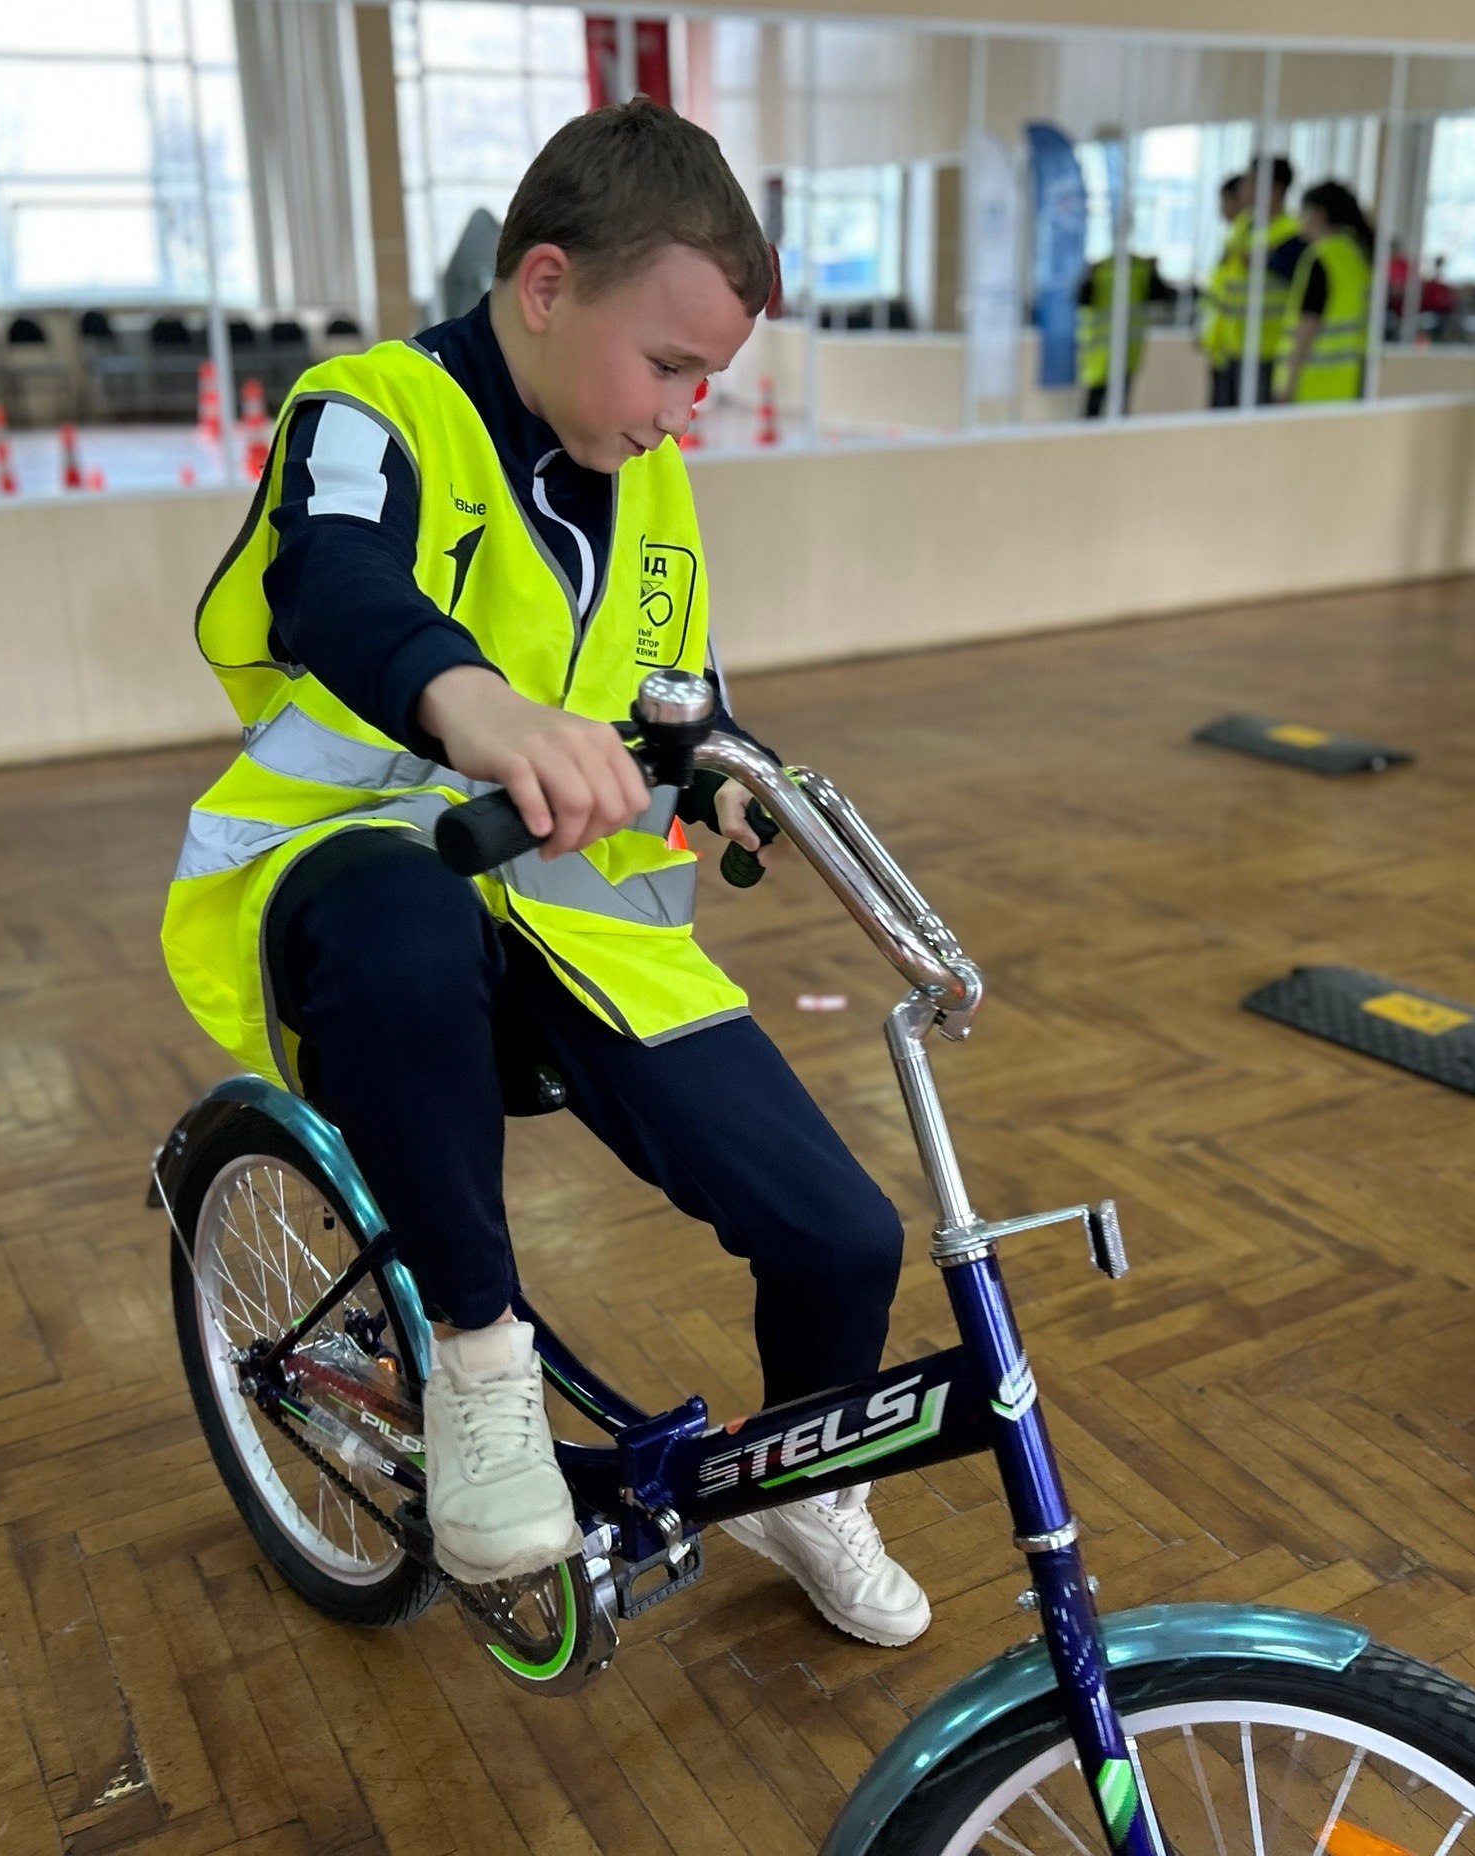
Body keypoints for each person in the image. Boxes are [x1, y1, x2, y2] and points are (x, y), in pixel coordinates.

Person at [158, 98, 929, 1646]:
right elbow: (330, 580)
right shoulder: (371, 409)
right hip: (351, 884)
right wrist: (478, 708)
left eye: (708, 382)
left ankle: (807, 1487)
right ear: (548, 285)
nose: (684, 413)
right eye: (671, 366)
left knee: (847, 1238)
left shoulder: (648, 479)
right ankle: (479, 1365)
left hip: (576, 929)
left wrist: (722, 777)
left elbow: (679, 696)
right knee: (403, 916)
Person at [1198, 158, 1304, 408]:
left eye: (1251, 182)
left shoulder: (1293, 234)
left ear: (1275, 188)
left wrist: (1265, 261)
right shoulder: (1243, 227)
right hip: (1228, 348)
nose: (1243, 188)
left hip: (1266, 350)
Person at [1277, 181, 1374, 403]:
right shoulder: (1357, 254)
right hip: (1349, 381)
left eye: (1302, 212)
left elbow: (1308, 324)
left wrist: (1288, 384)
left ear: (1318, 215)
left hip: (1315, 382)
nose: (1299, 220)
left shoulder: (1321, 257)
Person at [1076, 246, 1170, 417]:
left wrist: (1154, 272)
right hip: (1101, 354)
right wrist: (1089, 275)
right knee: (1094, 407)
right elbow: (1082, 298)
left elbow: (1162, 297)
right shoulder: (1099, 269)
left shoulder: (1140, 270)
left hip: (1125, 352)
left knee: (1120, 408)